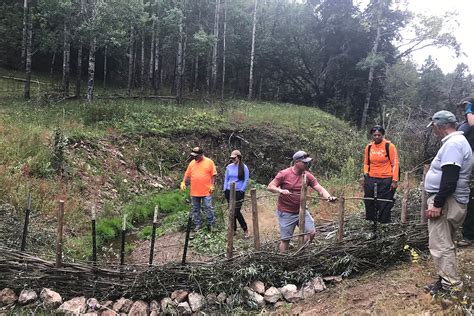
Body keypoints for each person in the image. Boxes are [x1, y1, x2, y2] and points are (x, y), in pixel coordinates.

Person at [424, 110, 472, 295]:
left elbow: (449, 178)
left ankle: (451, 286)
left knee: (440, 244)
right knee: (445, 241)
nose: (434, 130)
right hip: (450, 200)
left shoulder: (453, 144)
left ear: (440, 126)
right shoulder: (458, 142)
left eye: (434, 127)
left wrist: (437, 203)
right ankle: (444, 279)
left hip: (446, 201)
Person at [267, 150, 336, 253]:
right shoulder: (284, 174)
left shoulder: (307, 176)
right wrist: (280, 190)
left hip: (301, 210)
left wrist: (329, 197)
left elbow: (320, 189)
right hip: (286, 212)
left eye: (307, 162)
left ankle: (300, 251)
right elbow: (270, 186)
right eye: (304, 162)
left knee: (311, 233)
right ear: (296, 162)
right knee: (285, 240)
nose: (307, 164)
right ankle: (284, 259)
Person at [363, 125, 400, 223]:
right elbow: (366, 162)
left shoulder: (389, 146)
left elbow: (395, 163)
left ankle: (384, 224)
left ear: (382, 135)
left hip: (386, 178)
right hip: (371, 177)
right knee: (369, 200)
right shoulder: (369, 147)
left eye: (379, 135)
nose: (376, 137)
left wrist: (394, 180)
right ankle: (370, 222)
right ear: (372, 135)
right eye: (374, 135)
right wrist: (366, 172)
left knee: (384, 202)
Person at [180, 147, 217, 231]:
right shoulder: (192, 163)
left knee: (208, 207)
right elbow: (187, 174)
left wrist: (212, 185)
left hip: (206, 191)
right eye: (193, 156)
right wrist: (183, 182)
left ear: (201, 155)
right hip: (194, 191)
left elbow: (213, 175)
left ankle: (211, 225)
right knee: (195, 209)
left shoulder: (209, 162)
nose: (194, 157)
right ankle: (198, 225)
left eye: (196, 156)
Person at [456, 97, 474, 247]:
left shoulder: (469, 125)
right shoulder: (464, 125)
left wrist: (470, 109)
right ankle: (468, 233)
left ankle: (468, 235)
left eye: (465, 108)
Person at [223, 150, 250, 238]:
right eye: (231, 158)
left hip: (238, 191)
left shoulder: (244, 167)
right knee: (231, 210)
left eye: (234, 158)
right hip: (229, 190)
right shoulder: (229, 167)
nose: (232, 159)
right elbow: (226, 179)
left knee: (236, 211)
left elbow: (246, 179)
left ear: (238, 157)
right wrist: (224, 189)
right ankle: (233, 230)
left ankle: (245, 229)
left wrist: (242, 189)